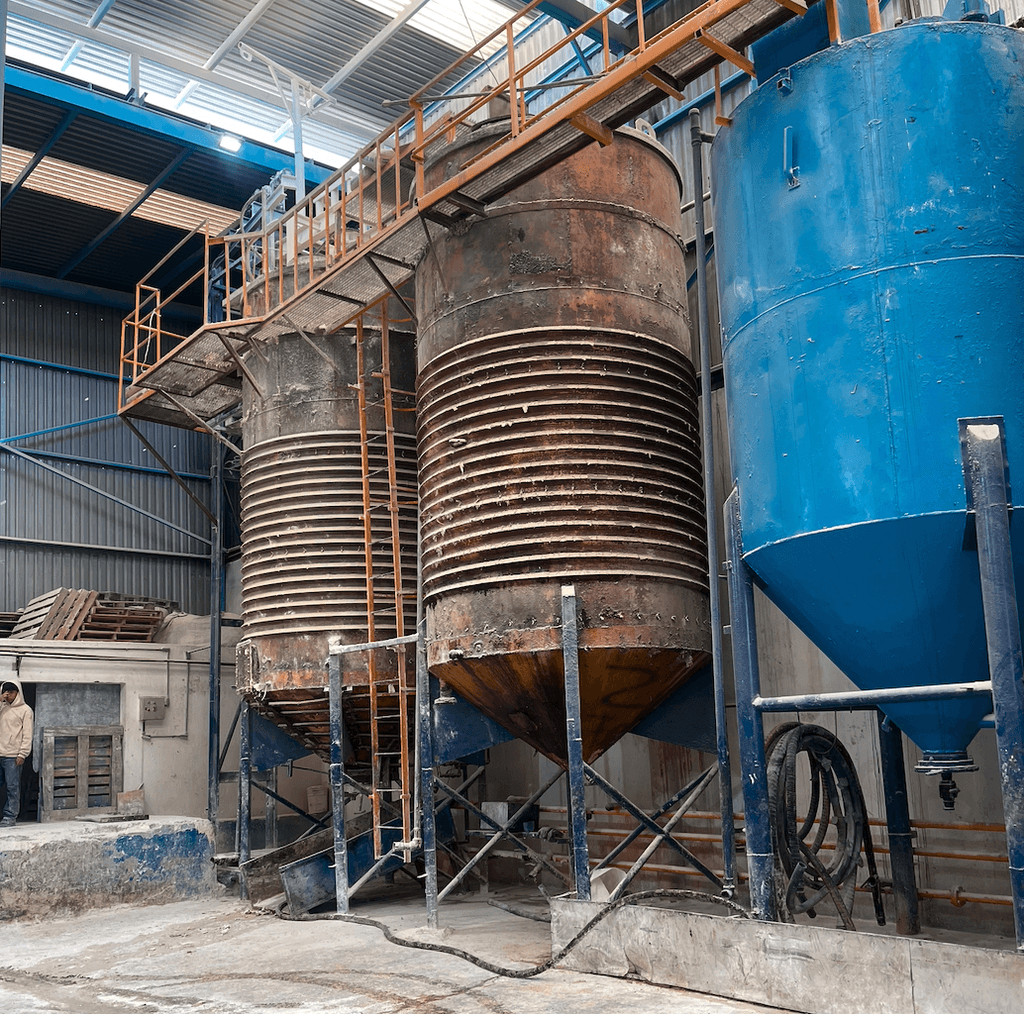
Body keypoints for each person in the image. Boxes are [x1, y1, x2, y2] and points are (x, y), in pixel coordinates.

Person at [0, 679, 33, 827]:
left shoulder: (25, 710)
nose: (9, 695)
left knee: (12, 787)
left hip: (13, 755)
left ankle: (10, 816)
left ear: (18, 693)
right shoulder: (2, 707)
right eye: (6, 692)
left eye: (12, 692)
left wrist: (22, 753)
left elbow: (27, 734)